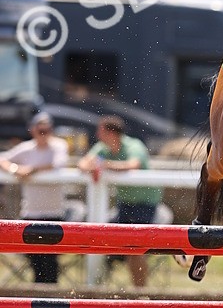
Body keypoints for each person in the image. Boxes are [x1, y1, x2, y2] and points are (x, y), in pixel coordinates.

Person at [78, 115, 162, 288]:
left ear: (110, 132)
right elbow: (83, 163)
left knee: (135, 249)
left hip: (145, 205)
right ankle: (102, 287)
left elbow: (134, 164)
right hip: (125, 204)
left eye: (100, 131)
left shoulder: (133, 145)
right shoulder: (103, 147)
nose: (97, 134)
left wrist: (103, 166)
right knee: (104, 241)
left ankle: (139, 292)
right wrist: (94, 166)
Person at [0, 112, 69, 284]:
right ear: (33, 130)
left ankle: (49, 299)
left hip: (53, 212)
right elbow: (2, 159)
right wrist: (16, 170)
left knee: (51, 262)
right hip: (31, 212)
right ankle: (39, 298)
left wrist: (30, 170)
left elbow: (58, 163)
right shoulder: (26, 148)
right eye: (41, 130)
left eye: (47, 130)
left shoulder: (59, 145)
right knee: (35, 261)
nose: (44, 134)